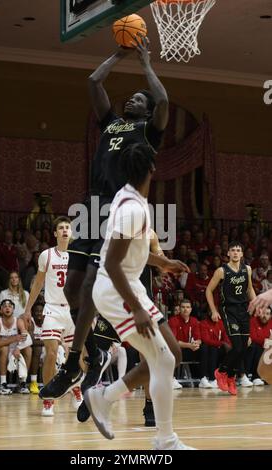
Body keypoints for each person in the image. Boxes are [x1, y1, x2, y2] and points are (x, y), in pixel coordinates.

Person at [40, 35, 169, 400]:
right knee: (71, 289)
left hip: (117, 209)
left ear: (146, 111)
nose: (133, 99)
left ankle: (73, 363)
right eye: (132, 97)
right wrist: (117, 53)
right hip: (91, 205)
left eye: (139, 99)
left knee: (92, 282)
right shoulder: (111, 123)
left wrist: (145, 64)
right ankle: (95, 350)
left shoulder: (149, 131)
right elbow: (93, 82)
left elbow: (163, 101)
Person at [83, 143, 194, 450]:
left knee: (171, 354)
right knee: (164, 359)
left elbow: (134, 251)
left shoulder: (130, 196)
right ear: (152, 170)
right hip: (116, 289)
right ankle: (165, 440)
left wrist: (163, 262)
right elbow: (110, 263)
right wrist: (137, 309)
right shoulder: (132, 209)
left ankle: (103, 398)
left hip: (130, 285)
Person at [23, 216, 78, 416]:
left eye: (67, 227)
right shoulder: (46, 255)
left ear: (71, 233)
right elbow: (37, 284)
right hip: (53, 309)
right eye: (61, 228)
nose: (64, 230)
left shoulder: (78, 255)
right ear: (55, 233)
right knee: (51, 353)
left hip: (73, 310)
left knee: (78, 357)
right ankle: (48, 398)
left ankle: (76, 388)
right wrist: (28, 309)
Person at [206, 242, 256, 395]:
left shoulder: (247, 269)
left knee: (243, 347)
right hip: (228, 311)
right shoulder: (221, 271)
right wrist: (214, 310)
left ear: (242, 254)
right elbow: (208, 290)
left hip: (243, 311)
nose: (235, 253)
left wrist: (256, 304)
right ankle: (221, 372)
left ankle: (231, 377)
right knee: (237, 346)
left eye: (238, 250)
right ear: (228, 253)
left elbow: (249, 289)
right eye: (233, 250)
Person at [0, 299, 32, 394]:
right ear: (0, 310)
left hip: (16, 352)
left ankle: (23, 382)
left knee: (28, 350)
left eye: (10, 306)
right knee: (5, 348)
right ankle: (3, 383)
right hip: (0, 354)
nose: (7, 308)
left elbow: (27, 338)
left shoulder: (19, 321)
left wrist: (18, 348)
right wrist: (14, 338)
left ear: (13, 309)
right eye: (4, 306)